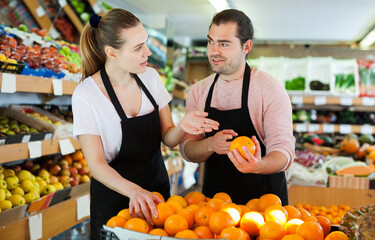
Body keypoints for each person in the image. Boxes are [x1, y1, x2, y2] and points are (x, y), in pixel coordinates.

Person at [72, 9, 218, 239]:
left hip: (157, 193)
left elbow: (168, 138)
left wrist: (182, 127)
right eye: (138, 47)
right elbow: (96, 164)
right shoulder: (86, 95)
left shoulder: (150, 79)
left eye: (146, 43)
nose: (147, 52)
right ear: (112, 53)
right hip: (115, 198)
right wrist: (135, 192)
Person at [180, 9, 295, 205]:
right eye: (210, 42)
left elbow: (284, 151)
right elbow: (187, 151)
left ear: (246, 46)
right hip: (215, 207)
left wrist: (259, 165)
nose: (214, 51)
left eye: (224, 44)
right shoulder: (199, 91)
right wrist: (209, 145)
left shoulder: (268, 88)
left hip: (264, 207)